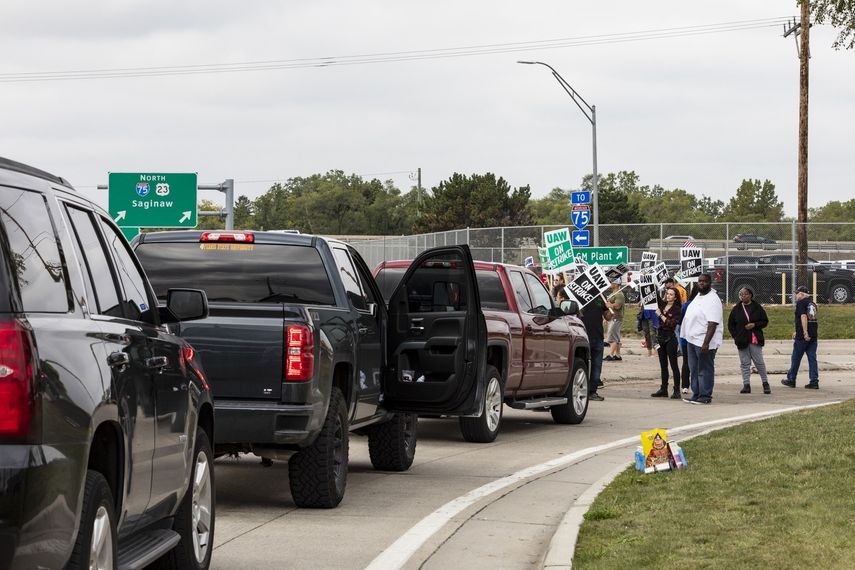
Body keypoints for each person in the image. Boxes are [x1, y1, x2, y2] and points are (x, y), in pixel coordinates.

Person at [680, 273, 723, 404]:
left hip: (704, 341)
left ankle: (705, 396)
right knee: (694, 369)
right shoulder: (699, 295)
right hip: (692, 339)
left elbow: (713, 323)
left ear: (710, 283)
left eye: (704, 281)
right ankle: (696, 394)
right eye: (699, 281)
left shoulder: (713, 299)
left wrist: (706, 343)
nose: (701, 283)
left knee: (704, 369)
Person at [727, 286, 771, 394]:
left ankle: (765, 383)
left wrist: (754, 325)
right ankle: (746, 384)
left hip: (755, 339)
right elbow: (731, 325)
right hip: (742, 339)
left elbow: (765, 321)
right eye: (741, 294)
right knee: (744, 363)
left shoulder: (757, 307)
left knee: (759, 362)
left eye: (745, 294)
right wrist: (736, 336)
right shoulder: (736, 309)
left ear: (750, 295)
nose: (743, 296)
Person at [782, 285, 819, 389]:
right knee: (812, 358)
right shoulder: (812, 303)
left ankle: (791, 379)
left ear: (802, 294)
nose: (795, 295)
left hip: (803, 336)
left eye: (797, 293)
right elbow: (811, 319)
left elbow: (803, 316)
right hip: (813, 335)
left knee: (796, 358)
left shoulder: (801, 303)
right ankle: (814, 381)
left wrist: (804, 332)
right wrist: (799, 330)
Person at [651, 287, 682, 398]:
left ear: (675, 297)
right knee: (663, 365)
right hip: (661, 337)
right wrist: (650, 281)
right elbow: (654, 294)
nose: (668, 296)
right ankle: (663, 389)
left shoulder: (677, 309)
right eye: (667, 293)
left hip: (670, 338)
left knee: (673, 365)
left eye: (671, 294)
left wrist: (660, 315)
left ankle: (677, 390)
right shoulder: (662, 305)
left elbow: (671, 323)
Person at [579, 294, 608, 401]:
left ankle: (593, 391)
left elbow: (607, 316)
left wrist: (610, 308)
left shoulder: (601, 297)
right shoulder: (580, 297)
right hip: (584, 336)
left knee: (597, 366)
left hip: (598, 336)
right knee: (584, 365)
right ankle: (582, 390)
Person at [604, 282, 625, 361]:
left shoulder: (619, 294)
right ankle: (618, 355)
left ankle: (611, 355)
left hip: (616, 318)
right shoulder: (613, 294)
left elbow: (618, 305)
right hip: (612, 318)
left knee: (612, 337)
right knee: (616, 337)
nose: (609, 284)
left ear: (616, 284)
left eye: (611, 283)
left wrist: (611, 305)